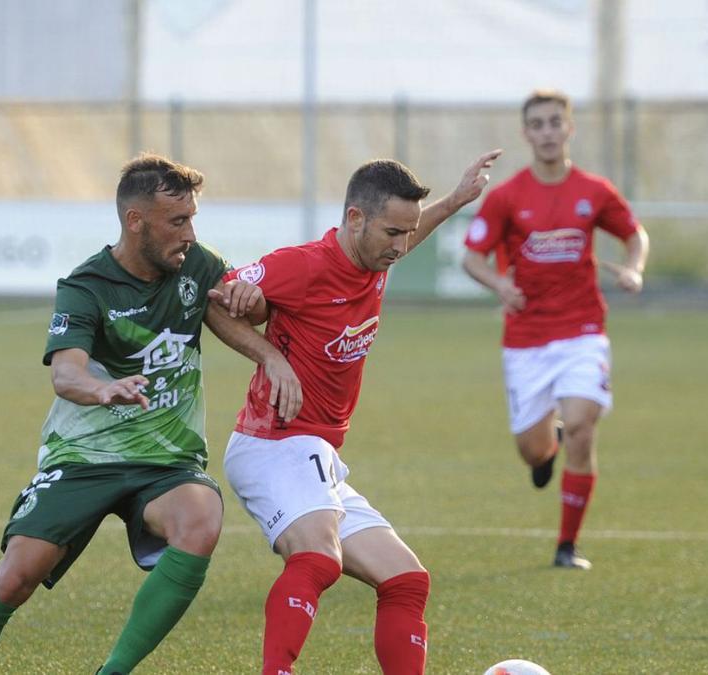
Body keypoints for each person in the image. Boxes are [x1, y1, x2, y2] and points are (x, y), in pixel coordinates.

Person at [0, 154, 301, 675]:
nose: (190, 232)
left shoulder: (196, 264)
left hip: (166, 461)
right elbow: (66, 374)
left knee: (201, 520)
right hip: (85, 456)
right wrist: (104, 391)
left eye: (193, 218)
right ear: (135, 221)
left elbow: (235, 313)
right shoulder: (85, 286)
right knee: (18, 576)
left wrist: (268, 347)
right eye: (177, 221)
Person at [215, 152, 501, 675]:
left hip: (315, 451)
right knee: (318, 559)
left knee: (407, 581)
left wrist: (456, 201)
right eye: (392, 232)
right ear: (355, 219)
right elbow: (217, 300)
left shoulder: (375, 259)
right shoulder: (303, 265)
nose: (401, 246)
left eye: (406, 233)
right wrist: (270, 356)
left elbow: (406, 237)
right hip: (274, 441)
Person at [461, 89, 650, 570]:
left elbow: (634, 235)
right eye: (538, 124)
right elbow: (471, 258)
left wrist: (634, 268)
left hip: (584, 329)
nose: (547, 132)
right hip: (526, 340)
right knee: (531, 450)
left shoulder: (594, 191)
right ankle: (548, 446)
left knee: (585, 428)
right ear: (527, 133)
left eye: (555, 123)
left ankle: (567, 546)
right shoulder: (507, 197)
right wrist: (499, 283)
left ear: (570, 128)